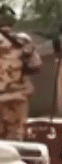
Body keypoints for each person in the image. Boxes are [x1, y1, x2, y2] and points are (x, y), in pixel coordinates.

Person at [0, 8, 41, 140]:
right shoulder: (23, 40)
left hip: (9, 96)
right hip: (18, 97)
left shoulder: (21, 40)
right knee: (15, 140)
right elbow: (36, 65)